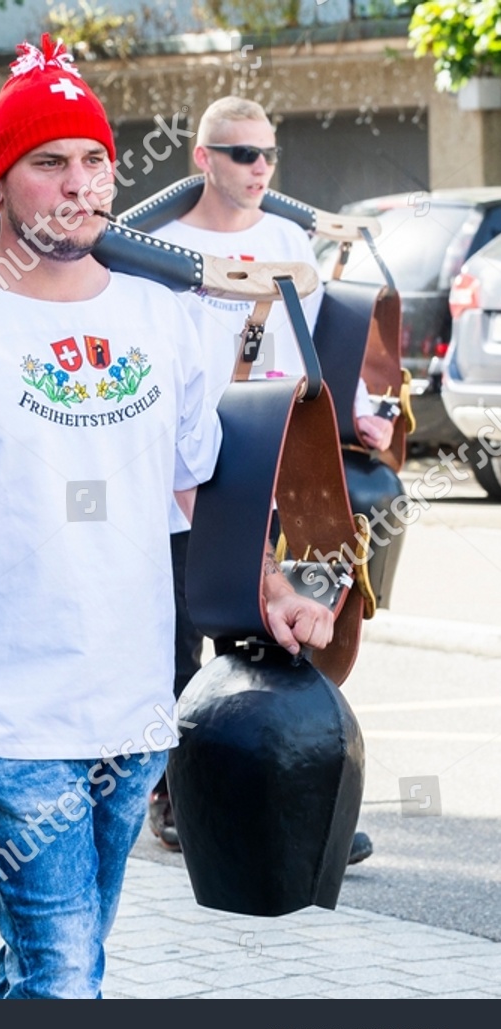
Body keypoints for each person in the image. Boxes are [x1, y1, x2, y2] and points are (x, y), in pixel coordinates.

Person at [0, 38, 336, 998]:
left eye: (94, 162)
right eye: (49, 164)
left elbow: (191, 496)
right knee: (64, 976)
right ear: (0, 184)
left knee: (53, 968)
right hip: (2, 709)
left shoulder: (163, 316)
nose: (77, 185)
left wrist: (269, 590)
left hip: (133, 709)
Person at [150, 96, 387, 864]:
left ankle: (290, 798)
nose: (259, 170)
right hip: (183, 464)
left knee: (275, 631)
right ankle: (178, 797)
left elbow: (312, 346)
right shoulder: (159, 247)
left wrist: (359, 413)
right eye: (242, 155)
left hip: (271, 456)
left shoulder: (289, 240)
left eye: (268, 156)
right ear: (203, 158)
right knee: (184, 641)